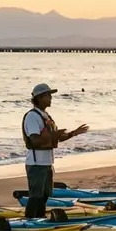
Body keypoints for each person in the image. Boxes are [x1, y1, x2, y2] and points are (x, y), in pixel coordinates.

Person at [21, 83, 89, 219]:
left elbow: (56, 137)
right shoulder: (32, 117)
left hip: (46, 163)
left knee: (45, 195)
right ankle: (29, 221)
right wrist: (53, 135)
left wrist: (74, 133)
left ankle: (39, 219)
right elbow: (34, 140)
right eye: (47, 95)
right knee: (36, 196)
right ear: (39, 98)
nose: (50, 98)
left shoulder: (46, 116)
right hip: (36, 164)